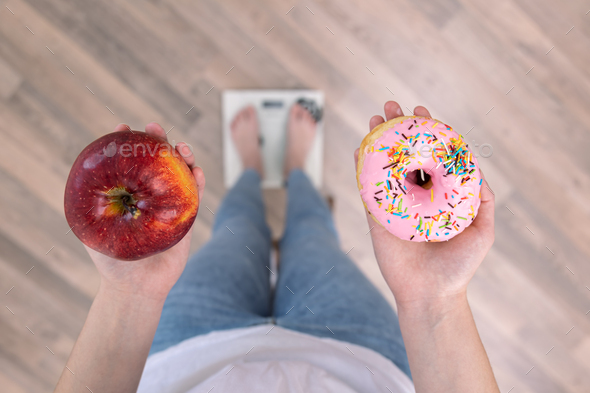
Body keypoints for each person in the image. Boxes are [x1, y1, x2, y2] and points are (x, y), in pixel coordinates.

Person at [55, 101, 500, 393]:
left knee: (237, 225)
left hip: (186, 352)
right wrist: (432, 299)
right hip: (358, 358)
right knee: (312, 233)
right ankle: (295, 168)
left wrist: (129, 293)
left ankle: (255, 166)